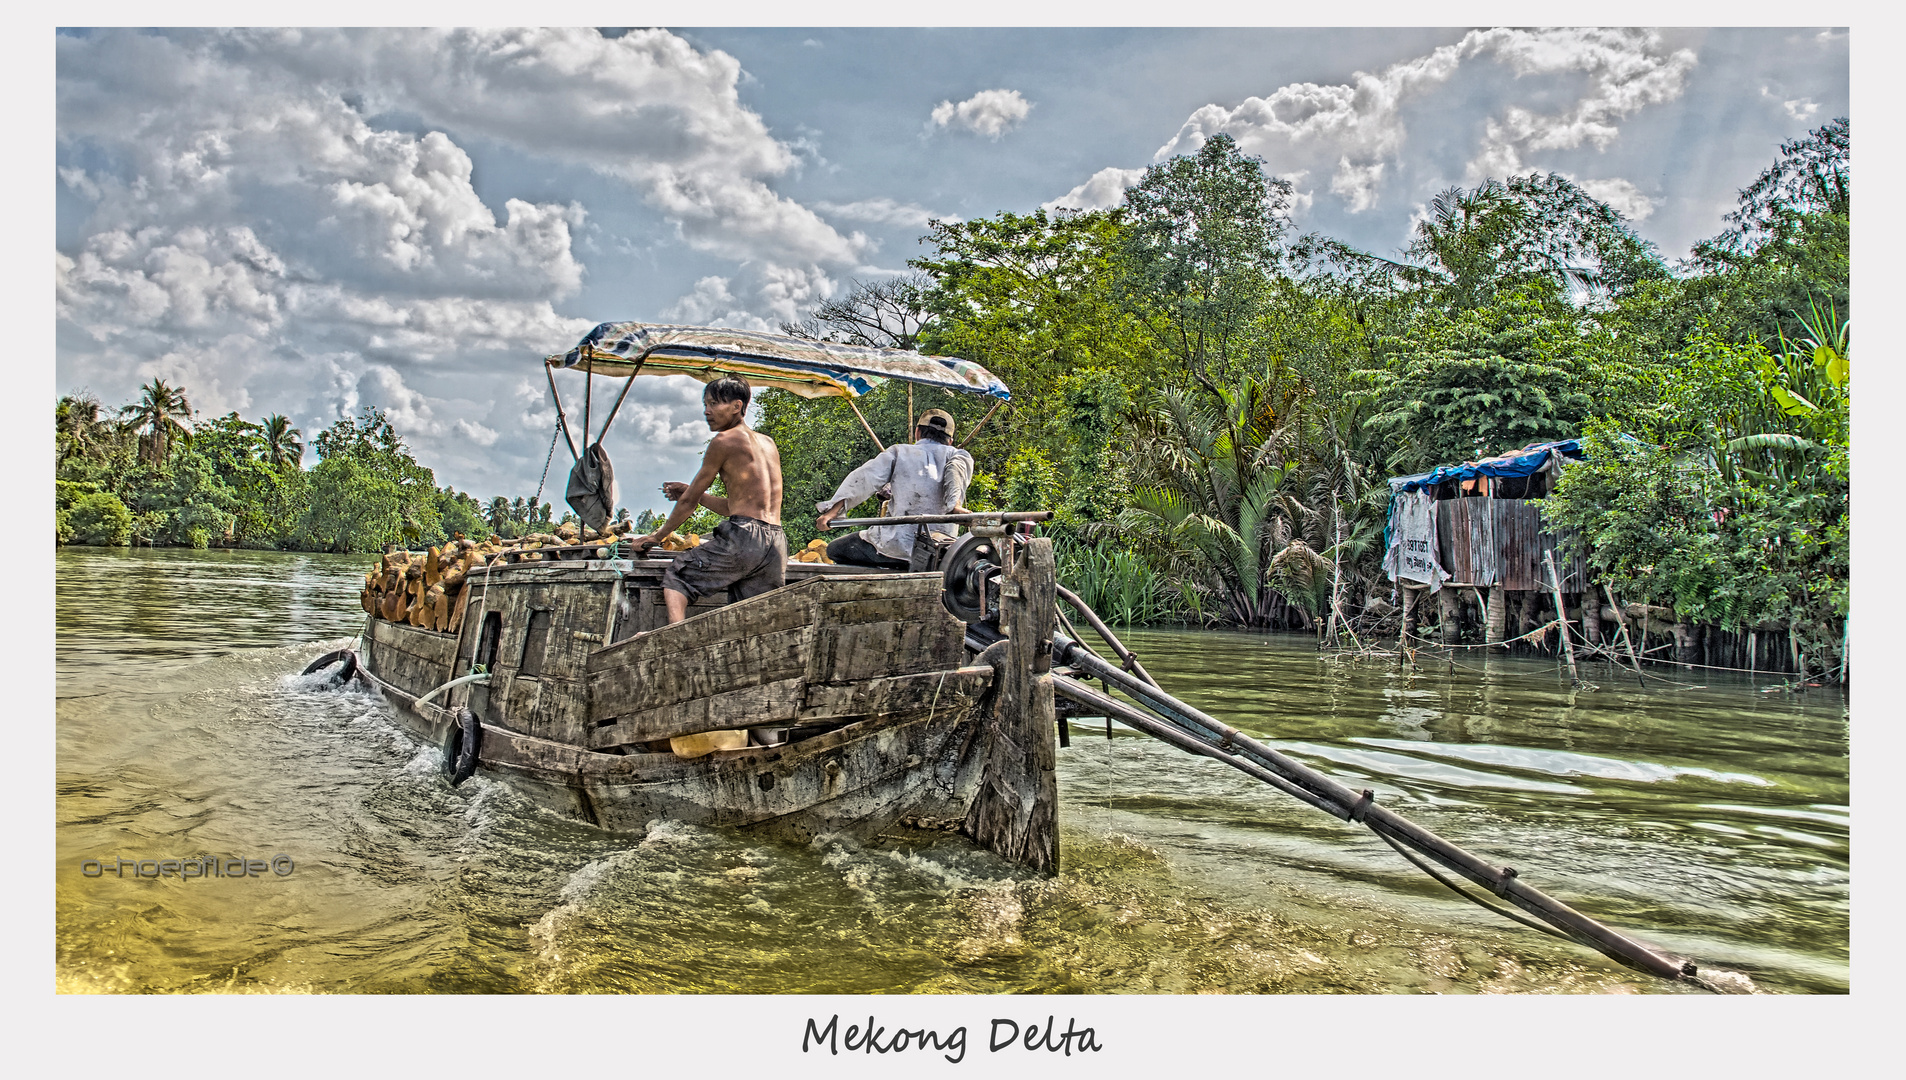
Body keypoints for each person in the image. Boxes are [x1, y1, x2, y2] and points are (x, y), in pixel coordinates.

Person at [633, 374, 787, 624]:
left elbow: (688, 502)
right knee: (755, 617)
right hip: (775, 541)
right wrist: (692, 491)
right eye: (705, 405)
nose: (707, 411)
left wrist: (657, 537)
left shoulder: (724, 441)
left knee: (679, 575)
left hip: (744, 538)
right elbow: (732, 507)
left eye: (714, 404)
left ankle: (673, 637)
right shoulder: (768, 443)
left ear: (737, 406)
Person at [815, 408, 973, 571]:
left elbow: (865, 478)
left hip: (894, 548)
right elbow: (955, 472)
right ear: (950, 441)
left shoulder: (899, 452)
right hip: (939, 552)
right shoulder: (960, 456)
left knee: (834, 550)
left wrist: (832, 512)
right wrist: (954, 506)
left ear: (917, 432)